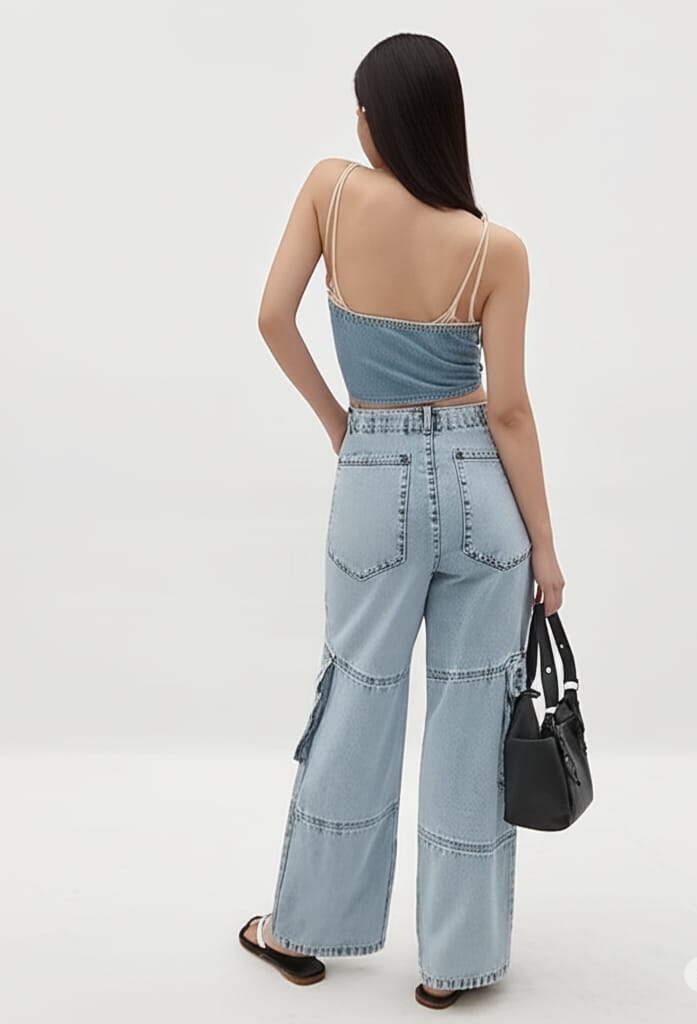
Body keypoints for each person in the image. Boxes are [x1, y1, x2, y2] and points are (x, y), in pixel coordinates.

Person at [238, 31, 565, 1010]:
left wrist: (344, 424)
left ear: (374, 119)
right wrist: (544, 546)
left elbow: (270, 317)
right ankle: (452, 966)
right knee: (470, 719)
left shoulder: (330, 190)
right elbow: (506, 408)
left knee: (355, 699)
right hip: (479, 489)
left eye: (361, 108)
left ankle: (302, 931)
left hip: (374, 474)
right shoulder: (491, 247)